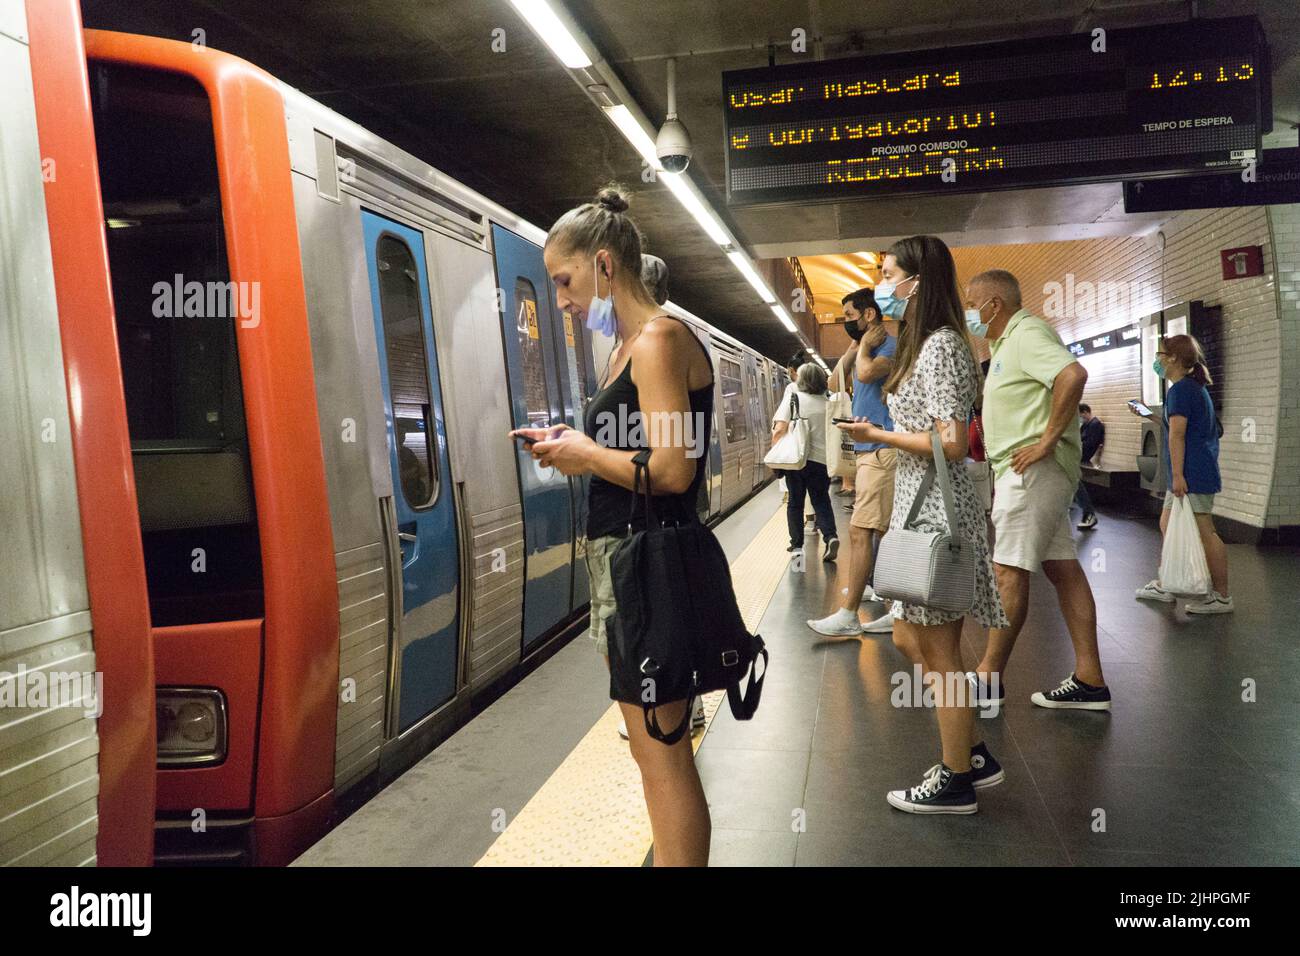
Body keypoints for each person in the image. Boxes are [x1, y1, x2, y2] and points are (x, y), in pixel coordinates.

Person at [512, 185, 713, 865]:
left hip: (647, 564)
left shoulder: (657, 340)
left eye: (564, 282)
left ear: (603, 265)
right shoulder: (627, 347)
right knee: (654, 751)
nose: (562, 302)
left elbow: (674, 470)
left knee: (663, 757)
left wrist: (585, 454)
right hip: (625, 562)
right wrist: (578, 441)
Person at [837, 236, 1009, 813]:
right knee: (911, 635)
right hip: (922, 500)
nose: (883, 286)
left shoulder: (939, 346)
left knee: (940, 653)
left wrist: (878, 434)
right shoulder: (927, 342)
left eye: (889, 274)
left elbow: (953, 442)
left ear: (917, 280)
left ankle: (956, 777)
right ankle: (976, 754)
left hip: (938, 507)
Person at [964, 269, 1111, 711]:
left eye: (973, 304)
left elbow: (1072, 374)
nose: (970, 312)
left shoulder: (1026, 334)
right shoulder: (1005, 343)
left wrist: (1046, 440)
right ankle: (1090, 680)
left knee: (1008, 571)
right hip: (1034, 474)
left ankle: (987, 678)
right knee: (1063, 570)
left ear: (995, 303)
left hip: (1030, 474)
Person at [807, 288, 900, 636]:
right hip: (868, 452)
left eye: (849, 316)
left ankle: (851, 614)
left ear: (869, 315)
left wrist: (861, 348)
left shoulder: (890, 347)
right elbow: (835, 383)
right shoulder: (862, 348)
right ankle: (896, 607)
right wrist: (852, 347)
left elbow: (864, 375)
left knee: (863, 531)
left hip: (881, 449)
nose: (845, 322)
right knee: (878, 531)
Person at [1135, 334, 1232, 613]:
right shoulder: (1191, 389)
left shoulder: (1181, 391)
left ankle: (1222, 596)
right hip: (1193, 471)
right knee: (1167, 523)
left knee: (1205, 532)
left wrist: (1177, 476)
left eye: (1160, 354)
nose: (1157, 360)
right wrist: (1150, 415)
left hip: (1193, 474)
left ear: (1174, 359)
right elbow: (1176, 426)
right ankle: (1168, 582)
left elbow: (1177, 436)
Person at [771, 363, 839, 560]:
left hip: (797, 460)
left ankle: (797, 546)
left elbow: (779, 430)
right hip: (822, 461)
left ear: (801, 380)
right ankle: (831, 536)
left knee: (795, 502)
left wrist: (775, 458)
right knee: (821, 499)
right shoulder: (828, 402)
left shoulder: (794, 399)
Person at [1075, 403, 1105, 529]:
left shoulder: (1095, 425)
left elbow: (1089, 443)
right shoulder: (1087, 425)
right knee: (1073, 480)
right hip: (1076, 453)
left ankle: (1088, 512)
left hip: (1081, 454)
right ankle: (1088, 512)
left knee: (1073, 480)